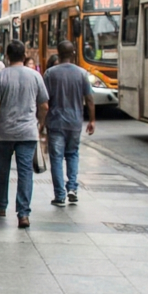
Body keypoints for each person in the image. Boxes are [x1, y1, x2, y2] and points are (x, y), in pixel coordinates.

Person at [0, 40, 48, 228]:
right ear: (24, 55)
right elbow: (44, 105)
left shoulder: (0, 76)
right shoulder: (35, 76)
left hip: (4, 132)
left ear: (7, 55)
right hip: (28, 132)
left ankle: (1, 205)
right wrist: (40, 124)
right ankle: (23, 214)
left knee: (2, 169)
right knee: (25, 172)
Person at [43, 41, 96, 206]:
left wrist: (41, 123)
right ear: (73, 53)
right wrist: (92, 119)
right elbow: (89, 98)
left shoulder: (50, 73)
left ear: (58, 53)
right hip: (75, 121)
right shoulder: (82, 73)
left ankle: (59, 195)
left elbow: (44, 101)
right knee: (72, 154)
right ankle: (72, 188)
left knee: (57, 158)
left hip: (56, 121)